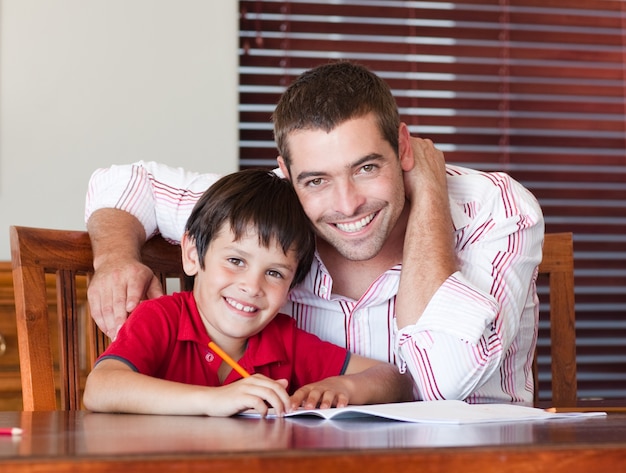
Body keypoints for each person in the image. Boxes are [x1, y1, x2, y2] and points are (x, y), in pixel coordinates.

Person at [85, 61, 545, 405]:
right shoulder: (267, 218)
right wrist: (114, 258)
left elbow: (442, 380)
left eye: (367, 168)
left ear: (403, 147)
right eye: (316, 179)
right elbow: (128, 182)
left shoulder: (492, 208)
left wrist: (429, 196)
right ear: (286, 174)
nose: (346, 205)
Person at [83, 169, 413, 417]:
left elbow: (392, 378)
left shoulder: (284, 340)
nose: (252, 287)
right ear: (193, 255)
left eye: (274, 273)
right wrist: (215, 400)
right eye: (236, 260)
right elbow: (101, 388)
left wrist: (344, 387)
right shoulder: (162, 318)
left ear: (292, 285)